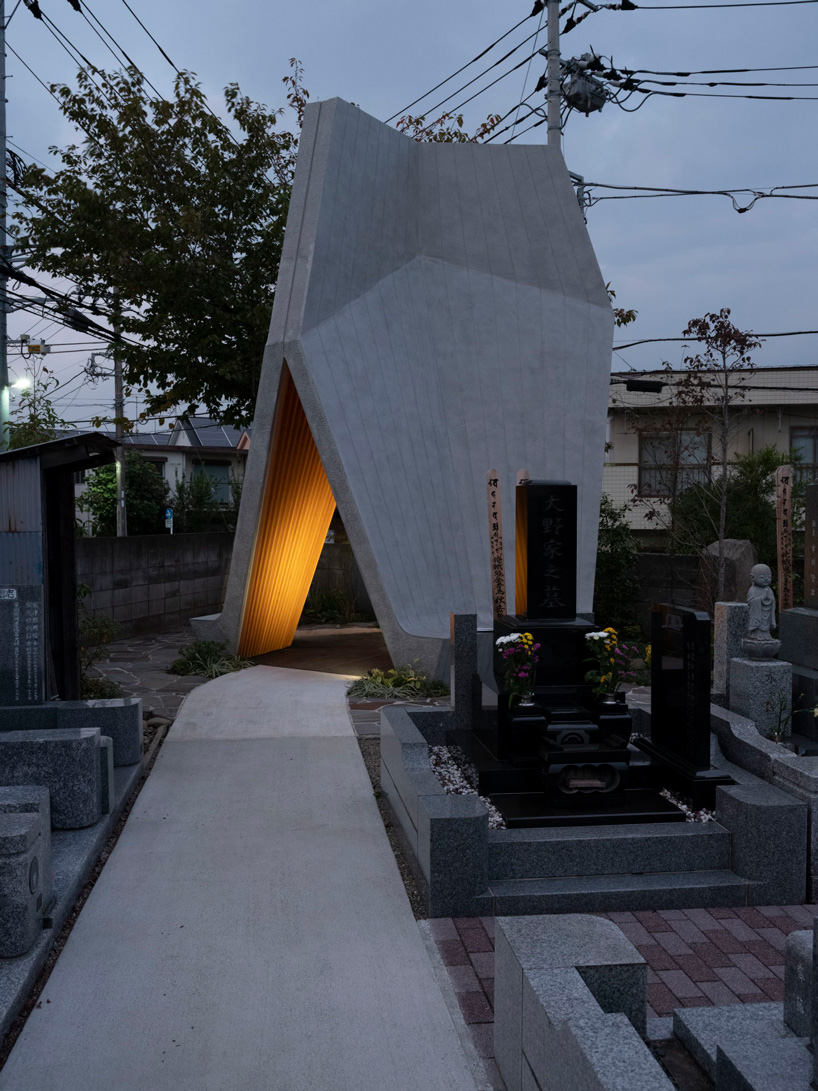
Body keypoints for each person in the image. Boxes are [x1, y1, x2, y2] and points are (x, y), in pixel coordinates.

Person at [747, 563, 776, 639]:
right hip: (758, 618)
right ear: (753, 577)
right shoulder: (753, 590)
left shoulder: (769, 590)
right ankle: (756, 634)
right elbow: (751, 603)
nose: (766, 579)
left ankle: (767, 635)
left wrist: (771, 600)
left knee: (767, 625)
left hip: (767, 615)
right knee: (758, 627)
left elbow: (773, 602)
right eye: (762, 577)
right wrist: (762, 598)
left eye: (769, 577)